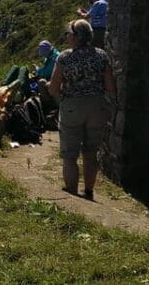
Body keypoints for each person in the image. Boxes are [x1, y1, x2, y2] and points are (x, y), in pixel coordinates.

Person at [48, 19, 115, 201]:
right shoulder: (101, 56)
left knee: (70, 154)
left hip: (72, 106)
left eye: (68, 33)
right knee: (91, 152)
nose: (66, 36)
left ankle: (71, 193)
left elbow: (53, 88)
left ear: (76, 37)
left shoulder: (64, 57)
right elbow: (110, 87)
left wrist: (62, 96)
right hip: (97, 106)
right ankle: (89, 191)